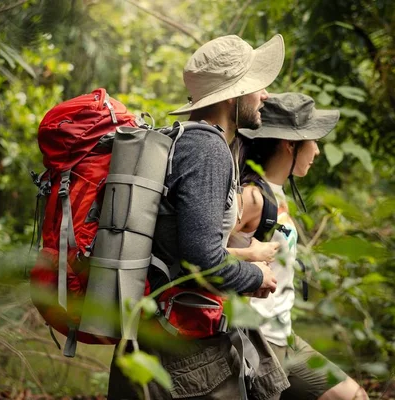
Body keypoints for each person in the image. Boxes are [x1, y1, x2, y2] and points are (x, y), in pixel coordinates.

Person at [108, 34, 291, 399]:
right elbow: (201, 261)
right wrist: (255, 274)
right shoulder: (207, 149)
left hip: (163, 336)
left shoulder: (186, 140)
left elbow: (183, 245)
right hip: (186, 356)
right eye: (256, 86)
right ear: (233, 95)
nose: (265, 95)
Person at [229, 93, 369, 400]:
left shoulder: (274, 193)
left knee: (354, 396)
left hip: (285, 337)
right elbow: (200, 251)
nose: (317, 150)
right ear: (289, 144)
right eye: (313, 140)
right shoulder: (251, 197)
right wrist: (250, 255)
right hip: (258, 343)